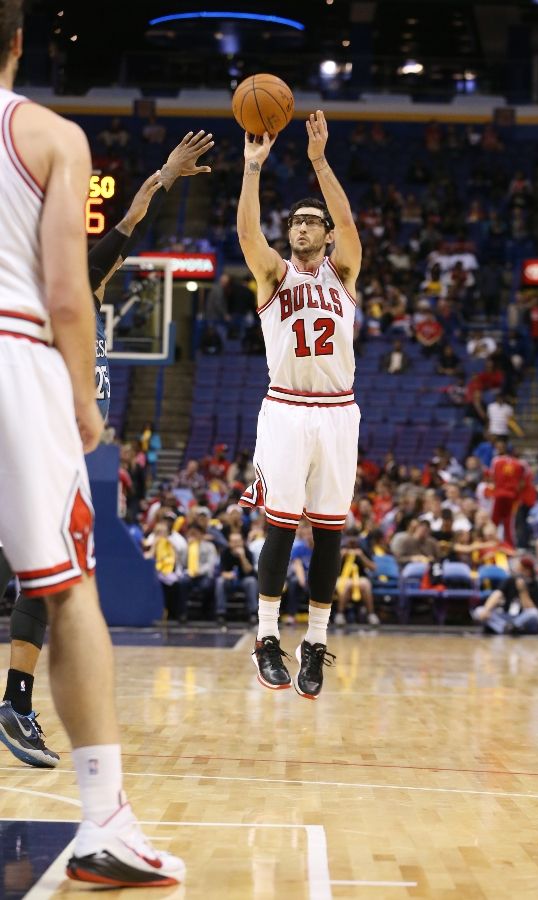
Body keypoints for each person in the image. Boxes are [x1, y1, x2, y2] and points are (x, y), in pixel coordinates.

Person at [0, 8, 189, 882]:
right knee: (69, 588)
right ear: (18, 42)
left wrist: (161, 181)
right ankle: (104, 821)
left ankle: (16, 699)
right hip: (16, 350)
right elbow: (70, 294)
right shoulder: (48, 136)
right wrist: (83, 395)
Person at [0, 128, 214, 769]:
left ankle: (16, 702)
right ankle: (15, 704)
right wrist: (164, 178)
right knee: (49, 581)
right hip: (39, 436)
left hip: (54, 444)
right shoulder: (67, 286)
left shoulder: (88, 293)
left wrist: (165, 177)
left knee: (48, 581)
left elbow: (129, 228)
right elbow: (128, 222)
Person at [237, 109, 361, 699]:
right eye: (297, 222)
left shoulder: (344, 273)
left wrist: (318, 160)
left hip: (338, 411)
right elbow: (247, 235)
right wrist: (252, 169)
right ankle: (267, 638)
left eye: (312, 222)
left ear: (327, 234)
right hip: (286, 409)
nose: (303, 228)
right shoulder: (274, 275)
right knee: (282, 527)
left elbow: (348, 218)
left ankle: (314, 642)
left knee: (330, 532)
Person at [471, 557, 538, 635]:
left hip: (522, 617)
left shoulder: (537, 586)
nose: (517, 571)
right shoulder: (510, 580)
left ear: (528, 571)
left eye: (520, 569)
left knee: (534, 614)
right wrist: (486, 610)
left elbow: (530, 608)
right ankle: (507, 628)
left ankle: (511, 627)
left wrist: (522, 591)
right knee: (479, 611)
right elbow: (497, 594)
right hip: (506, 616)